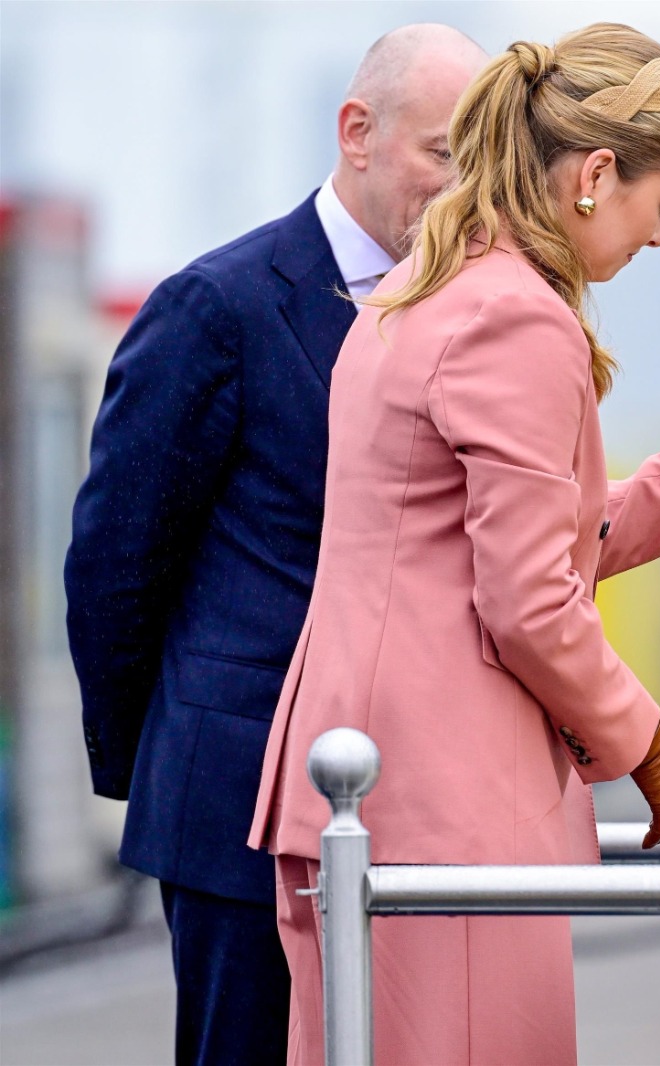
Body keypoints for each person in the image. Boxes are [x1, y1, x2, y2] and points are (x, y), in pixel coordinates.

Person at [248, 23, 660, 1065]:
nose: (656, 239)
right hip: (442, 806)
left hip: (366, 790)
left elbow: (536, 541)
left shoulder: (431, 289)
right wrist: (651, 746)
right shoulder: (519, 322)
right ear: (597, 175)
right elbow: (530, 599)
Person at [63, 24, 487, 1066]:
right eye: (442, 153)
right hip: (233, 816)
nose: (464, 189)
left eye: (481, 163)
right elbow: (116, 561)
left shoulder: (461, 317)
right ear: (357, 133)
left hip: (401, 806)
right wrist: (158, 760)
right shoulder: (217, 308)